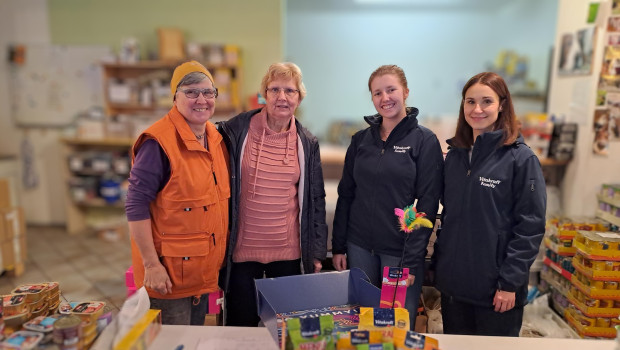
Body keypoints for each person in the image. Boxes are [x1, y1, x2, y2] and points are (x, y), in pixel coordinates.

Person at [432, 72, 546, 336]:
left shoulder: (521, 159)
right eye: (470, 102)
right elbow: (449, 217)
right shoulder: (455, 157)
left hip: (496, 292)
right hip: (454, 288)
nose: (478, 109)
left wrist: (509, 284)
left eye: (487, 101)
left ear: (502, 104)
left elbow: (529, 227)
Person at [331, 65, 444, 328]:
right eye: (377, 93)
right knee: (365, 324)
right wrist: (339, 245)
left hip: (399, 251)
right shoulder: (360, 140)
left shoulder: (424, 141)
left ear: (405, 92)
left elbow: (427, 203)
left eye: (391, 90)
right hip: (359, 247)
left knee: (395, 325)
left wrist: (412, 258)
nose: (385, 98)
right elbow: (346, 194)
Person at [218, 62, 328, 326]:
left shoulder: (307, 142)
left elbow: (316, 200)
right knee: (240, 331)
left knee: (284, 330)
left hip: (288, 254)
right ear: (263, 95)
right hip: (242, 253)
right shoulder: (235, 131)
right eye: (274, 89)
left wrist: (316, 252)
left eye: (289, 91)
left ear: (299, 98)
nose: (282, 97)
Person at [125, 60, 230, 325]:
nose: (201, 99)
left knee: (192, 339)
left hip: (199, 274)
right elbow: (136, 206)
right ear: (175, 97)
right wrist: (151, 265)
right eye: (191, 92)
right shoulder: (158, 142)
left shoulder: (214, 139)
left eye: (208, 92)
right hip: (168, 278)